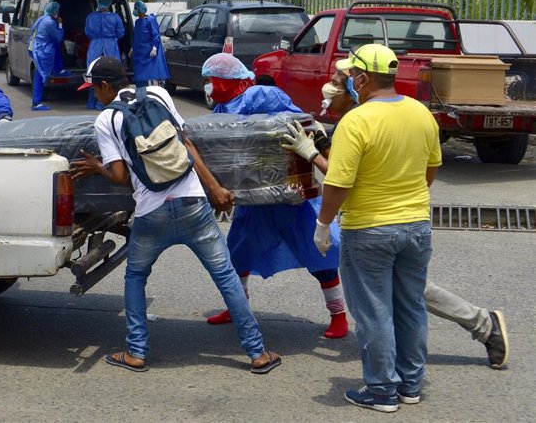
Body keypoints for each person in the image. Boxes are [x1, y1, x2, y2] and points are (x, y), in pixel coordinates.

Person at [286, 69, 509, 370]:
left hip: (374, 223)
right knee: (410, 292)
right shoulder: (383, 112)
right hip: (407, 220)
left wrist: (311, 156)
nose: (328, 90)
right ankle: (475, 328)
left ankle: (385, 382)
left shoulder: (360, 120)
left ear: (357, 85)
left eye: (337, 84)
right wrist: (322, 147)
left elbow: (343, 179)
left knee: (392, 300)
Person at [71, 56, 281, 374]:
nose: (94, 96)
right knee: (226, 277)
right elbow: (186, 143)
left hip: (151, 213)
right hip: (193, 205)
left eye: (94, 90)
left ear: (104, 86)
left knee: (136, 278)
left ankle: (136, 353)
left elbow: (119, 176)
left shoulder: (106, 120)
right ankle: (257, 353)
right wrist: (214, 189)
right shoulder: (159, 94)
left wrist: (95, 168)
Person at [314, 44, 441, 412]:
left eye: (350, 75)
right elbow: (430, 171)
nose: (347, 81)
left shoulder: (356, 120)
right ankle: (410, 385)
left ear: (364, 78)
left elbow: (339, 183)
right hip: (416, 226)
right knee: (411, 307)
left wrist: (323, 225)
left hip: (369, 229)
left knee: (374, 312)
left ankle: (382, 389)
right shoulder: (421, 113)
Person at [201, 53, 349, 339]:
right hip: (252, 195)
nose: (208, 87)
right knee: (238, 251)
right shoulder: (221, 108)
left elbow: (297, 119)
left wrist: (311, 142)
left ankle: (338, 315)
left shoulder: (259, 94)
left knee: (318, 253)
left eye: (211, 80)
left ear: (228, 78)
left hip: (287, 191)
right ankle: (237, 307)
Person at [84, 0, 124, 110]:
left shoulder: (91, 17)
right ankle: (103, 103)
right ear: (109, 4)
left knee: (92, 72)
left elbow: (87, 32)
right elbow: (120, 33)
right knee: (110, 73)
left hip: (95, 46)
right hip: (110, 45)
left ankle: (91, 101)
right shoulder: (115, 17)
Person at [27, 1, 68, 111]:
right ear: (54, 11)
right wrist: (60, 24)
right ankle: (36, 103)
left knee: (39, 74)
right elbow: (58, 37)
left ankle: (36, 101)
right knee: (40, 75)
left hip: (37, 47)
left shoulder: (41, 19)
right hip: (43, 50)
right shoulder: (50, 22)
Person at [131, 0, 170, 87]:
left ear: (140, 10)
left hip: (148, 55)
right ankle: (141, 95)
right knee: (140, 78)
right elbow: (137, 38)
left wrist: (154, 48)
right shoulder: (137, 22)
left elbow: (156, 36)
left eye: (136, 8)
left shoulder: (150, 20)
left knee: (150, 76)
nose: (134, 11)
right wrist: (133, 48)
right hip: (139, 55)